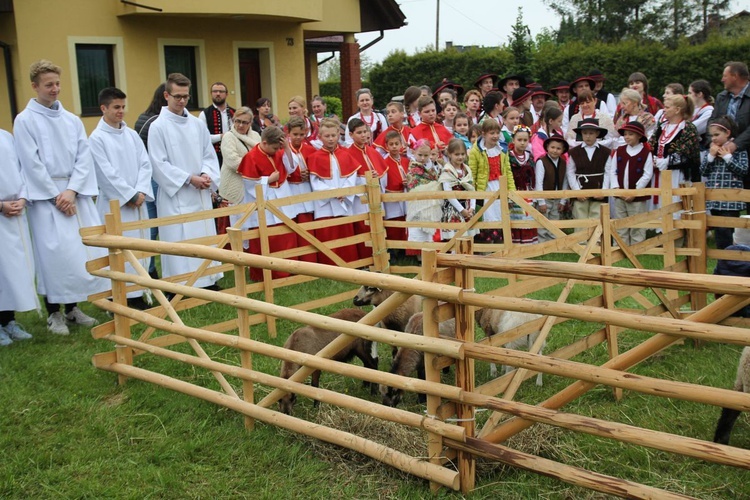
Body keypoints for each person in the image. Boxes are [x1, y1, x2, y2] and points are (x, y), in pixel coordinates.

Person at [13, 59, 104, 334]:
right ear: (34, 86)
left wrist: (72, 190)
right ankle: (54, 313)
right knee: (54, 255)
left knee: (77, 254)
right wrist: (56, 196)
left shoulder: (71, 120)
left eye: (57, 84)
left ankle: (73, 308)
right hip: (46, 199)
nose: (54, 89)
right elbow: (31, 161)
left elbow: (83, 156)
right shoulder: (25, 120)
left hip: (73, 194)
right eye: (48, 84)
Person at [147, 72, 222, 290]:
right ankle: (180, 284)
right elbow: (158, 163)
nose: (181, 101)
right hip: (176, 193)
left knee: (204, 233)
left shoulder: (197, 125)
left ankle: (208, 280)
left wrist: (208, 174)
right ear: (166, 95)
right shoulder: (158, 126)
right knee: (178, 238)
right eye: (177, 96)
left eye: (186, 97)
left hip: (199, 193)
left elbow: (208, 153)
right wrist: (189, 179)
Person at [89, 87, 154, 310]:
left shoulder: (132, 135)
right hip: (114, 204)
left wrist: (141, 190)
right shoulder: (96, 138)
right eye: (116, 107)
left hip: (137, 202)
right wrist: (129, 194)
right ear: (103, 108)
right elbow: (105, 173)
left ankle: (137, 293)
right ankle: (118, 297)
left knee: (137, 247)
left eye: (123, 107)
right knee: (117, 250)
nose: (121, 111)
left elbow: (145, 164)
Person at [237, 125, 298, 280]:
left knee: (285, 236)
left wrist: (287, 149)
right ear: (264, 143)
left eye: (279, 148)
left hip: (281, 199)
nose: (277, 151)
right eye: (275, 148)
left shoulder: (278, 151)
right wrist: (267, 180)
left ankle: (288, 270)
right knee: (266, 239)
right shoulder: (251, 157)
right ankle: (266, 274)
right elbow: (249, 184)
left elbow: (291, 168)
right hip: (263, 201)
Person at [0, 129, 37, 345]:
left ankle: (9, 321)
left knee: (13, 270)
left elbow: (22, 171)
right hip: (3, 209)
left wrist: (23, 197)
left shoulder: (6, 136)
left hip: (14, 213)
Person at [307, 118, 360, 265]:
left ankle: (349, 263)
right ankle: (330, 265)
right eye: (326, 136)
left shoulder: (346, 154)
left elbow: (351, 175)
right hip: (326, 202)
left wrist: (345, 191)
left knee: (345, 231)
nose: (330, 139)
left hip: (344, 198)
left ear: (338, 135)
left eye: (333, 135)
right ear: (320, 137)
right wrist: (333, 192)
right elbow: (315, 182)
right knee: (328, 232)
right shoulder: (314, 157)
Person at [134, 83, 167, 279]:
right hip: (153, 179)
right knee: (152, 226)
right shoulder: (151, 122)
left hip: (157, 177)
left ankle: (152, 268)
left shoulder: (143, 118)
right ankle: (150, 269)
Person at [701, 116, 749, 249]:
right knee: (719, 229)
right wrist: (710, 157)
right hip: (714, 199)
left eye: (717, 134)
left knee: (727, 229)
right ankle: (723, 257)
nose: (713, 138)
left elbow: (743, 170)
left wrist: (728, 158)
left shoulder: (738, 151)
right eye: (711, 136)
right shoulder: (711, 151)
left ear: (727, 133)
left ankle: (730, 256)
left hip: (731, 201)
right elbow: (703, 172)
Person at [648, 94, 701, 213]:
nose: (663, 110)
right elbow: (651, 144)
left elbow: (688, 154)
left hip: (677, 175)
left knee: (674, 204)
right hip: (658, 174)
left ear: (677, 110)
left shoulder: (688, 128)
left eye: (667, 107)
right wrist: (652, 159)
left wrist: (666, 161)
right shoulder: (662, 126)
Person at [347, 118, 388, 260]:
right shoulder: (348, 153)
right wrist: (365, 179)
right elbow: (349, 178)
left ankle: (380, 254)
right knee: (363, 226)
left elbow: (384, 174)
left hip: (375, 194)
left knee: (378, 224)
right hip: (361, 199)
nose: (363, 135)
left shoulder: (373, 151)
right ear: (351, 135)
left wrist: (377, 177)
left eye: (365, 131)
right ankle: (365, 258)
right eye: (359, 133)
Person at [469, 119, 514, 245]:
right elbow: (472, 173)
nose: (495, 136)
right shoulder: (476, 151)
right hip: (486, 188)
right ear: (483, 134)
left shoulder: (502, 150)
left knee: (502, 214)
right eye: (491, 133)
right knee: (488, 215)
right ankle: (487, 247)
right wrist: (475, 194)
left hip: (500, 187)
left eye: (497, 133)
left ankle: (502, 246)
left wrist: (512, 192)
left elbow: (508, 172)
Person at [611, 121, 654, 246]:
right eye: (625, 134)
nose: (627, 137)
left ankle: (637, 247)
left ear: (639, 136)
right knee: (620, 222)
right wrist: (616, 188)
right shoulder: (619, 150)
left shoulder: (646, 153)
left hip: (637, 197)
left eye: (630, 134)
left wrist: (635, 192)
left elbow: (647, 174)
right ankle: (620, 247)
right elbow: (613, 171)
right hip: (620, 195)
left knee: (637, 223)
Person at [218, 106, 261, 225]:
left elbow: (264, 156)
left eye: (244, 122)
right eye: (237, 121)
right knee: (234, 228)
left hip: (252, 189)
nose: (240, 125)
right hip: (234, 187)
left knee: (253, 226)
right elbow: (233, 162)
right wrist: (257, 167)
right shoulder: (229, 136)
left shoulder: (256, 136)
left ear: (250, 122)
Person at [566, 118, 613, 225]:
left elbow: (608, 172)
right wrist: (577, 191)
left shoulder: (605, 152)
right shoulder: (574, 152)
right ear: (581, 134)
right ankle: (581, 242)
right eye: (585, 133)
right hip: (580, 192)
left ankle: (595, 242)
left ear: (597, 133)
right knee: (580, 220)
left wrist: (604, 191)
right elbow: (570, 172)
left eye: (591, 133)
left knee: (597, 220)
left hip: (598, 191)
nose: (588, 136)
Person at [711, 61, 750, 188]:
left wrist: (735, 144)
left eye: (725, 76)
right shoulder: (721, 97)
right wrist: (712, 142)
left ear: (735, 76)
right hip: (723, 158)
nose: (722, 79)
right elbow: (712, 122)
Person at [285, 116, 318, 264]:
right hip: (290, 189)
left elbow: (317, 170)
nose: (298, 138)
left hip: (306, 189)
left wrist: (310, 174)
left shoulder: (310, 150)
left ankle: (309, 259)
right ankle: (295, 259)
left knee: (307, 223)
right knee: (292, 224)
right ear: (288, 133)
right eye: (295, 134)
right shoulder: (283, 150)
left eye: (301, 134)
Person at [405, 139, 442, 254]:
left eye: (426, 155)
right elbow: (413, 184)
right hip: (417, 204)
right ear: (414, 153)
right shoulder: (413, 168)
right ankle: (419, 255)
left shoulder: (434, 167)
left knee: (431, 228)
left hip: (432, 203)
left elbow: (438, 180)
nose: (422, 158)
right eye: (420, 155)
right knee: (418, 229)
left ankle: (431, 252)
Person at [534, 132, 569, 243]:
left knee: (554, 221)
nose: (555, 150)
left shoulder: (564, 163)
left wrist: (563, 200)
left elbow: (565, 182)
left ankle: (553, 243)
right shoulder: (542, 162)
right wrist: (541, 201)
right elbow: (538, 183)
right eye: (552, 147)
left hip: (557, 198)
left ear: (562, 150)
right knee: (542, 222)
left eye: (558, 148)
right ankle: (542, 243)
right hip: (545, 198)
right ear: (547, 147)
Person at [439, 139, 476, 241]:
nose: (460, 157)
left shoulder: (467, 170)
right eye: (457, 154)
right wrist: (461, 210)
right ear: (450, 154)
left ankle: (467, 256)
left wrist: (472, 207)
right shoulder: (447, 171)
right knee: (456, 238)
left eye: (463, 154)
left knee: (468, 237)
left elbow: (471, 189)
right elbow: (448, 194)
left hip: (467, 207)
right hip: (454, 208)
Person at [507, 125, 538, 244]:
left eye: (525, 140)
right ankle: (515, 243)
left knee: (528, 215)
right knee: (515, 217)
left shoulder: (529, 156)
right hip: (514, 190)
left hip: (527, 191)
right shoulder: (509, 156)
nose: (522, 143)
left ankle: (529, 243)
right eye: (519, 140)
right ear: (513, 140)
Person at [382, 130, 409, 245]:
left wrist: (408, 182)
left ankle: (406, 247)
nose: (394, 147)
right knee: (394, 221)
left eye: (396, 144)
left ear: (401, 145)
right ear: (386, 146)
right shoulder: (384, 162)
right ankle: (394, 248)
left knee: (405, 219)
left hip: (406, 194)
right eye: (391, 144)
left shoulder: (406, 161)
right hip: (392, 196)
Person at [198, 82, 235, 166]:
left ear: (226, 94)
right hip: (213, 157)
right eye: (215, 91)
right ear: (211, 94)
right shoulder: (204, 114)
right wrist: (222, 136)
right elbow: (202, 138)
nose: (218, 94)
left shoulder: (234, 113)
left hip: (233, 154)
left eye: (221, 91)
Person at [688, 79, 715, 157]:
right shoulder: (694, 109)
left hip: (700, 153)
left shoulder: (709, 112)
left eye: (690, 93)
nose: (687, 96)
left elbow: (692, 129)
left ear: (700, 94)